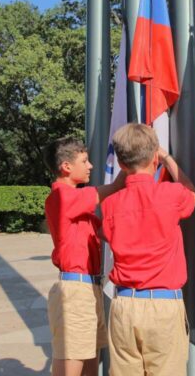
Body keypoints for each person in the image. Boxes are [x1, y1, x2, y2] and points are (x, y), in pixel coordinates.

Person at [100, 123, 195, 376]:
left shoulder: (110, 205)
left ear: (121, 165)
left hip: (124, 305)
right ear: (154, 156)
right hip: (163, 307)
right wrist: (166, 157)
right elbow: (193, 194)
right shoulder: (171, 194)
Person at [43, 136, 125, 376]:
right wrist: (124, 177)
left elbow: (107, 230)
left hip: (89, 290)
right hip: (75, 292)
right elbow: (104, 191)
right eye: (85, 161)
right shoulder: (62, 197)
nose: (90, 166)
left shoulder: (78, 206)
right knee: (71, 366)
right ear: (66, 167)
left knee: (90, 366)